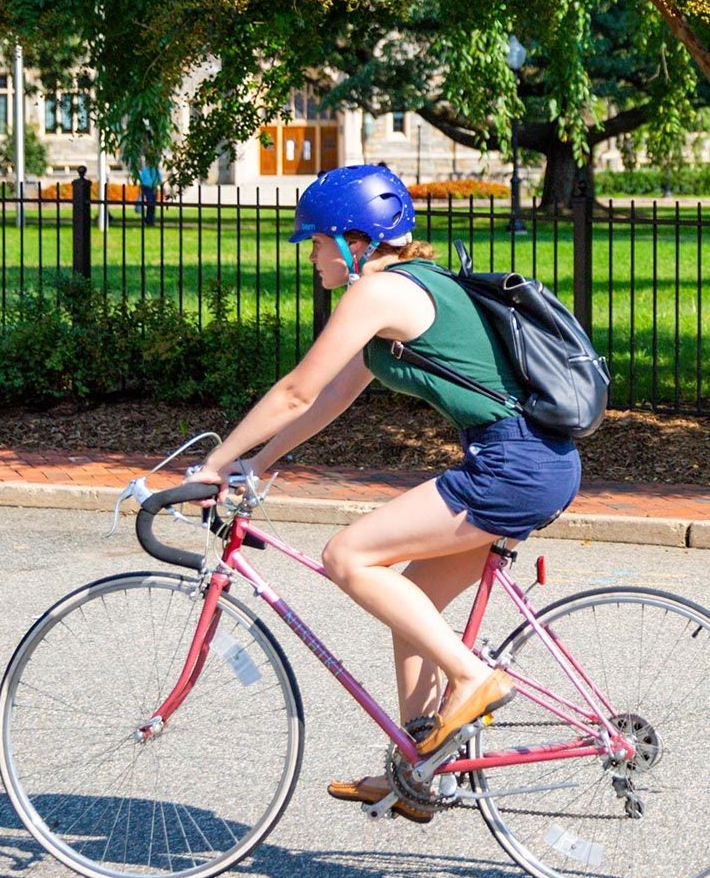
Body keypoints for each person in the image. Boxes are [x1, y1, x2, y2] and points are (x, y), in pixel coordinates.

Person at [187, 164, 582, 821]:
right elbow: (325, 402)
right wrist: (257, 463)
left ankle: (473, 679)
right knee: (413, 602)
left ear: (353, 239)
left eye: (315, 241)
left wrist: (215, 462)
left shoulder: (378, 294)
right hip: (530, 460)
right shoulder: (403, 290)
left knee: (347, 556)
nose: (310, 255)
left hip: (513, 464)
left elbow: (294, 390)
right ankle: (421, 768)